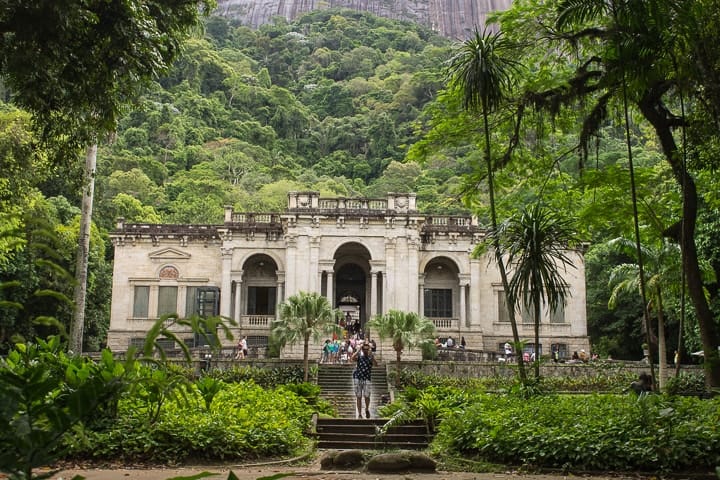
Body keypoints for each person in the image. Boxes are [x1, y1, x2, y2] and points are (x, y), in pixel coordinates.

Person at [350, 341, 378, 419]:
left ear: (368, 349)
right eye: (364, 349)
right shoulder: (359, 357)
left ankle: (366, 409)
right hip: (358, 378)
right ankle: (359, 414)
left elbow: (376, 364)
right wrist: (358, 350)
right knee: (358, 396)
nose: (365, 350)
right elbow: (352, 358)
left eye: (367, 349)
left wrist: (371, 355)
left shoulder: (370, 357)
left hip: (367, 379)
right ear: (362, 350)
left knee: (367, 396)